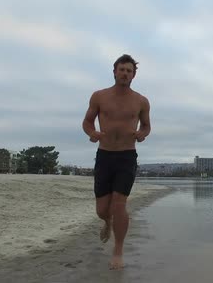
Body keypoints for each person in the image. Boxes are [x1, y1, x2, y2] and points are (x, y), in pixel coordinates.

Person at [82, 54, 151, 270]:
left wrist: (142, 134)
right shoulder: (99, 96)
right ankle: (107, 222)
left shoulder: (141, 101)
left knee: (119, 204)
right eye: (121, 69)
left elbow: (147, 126)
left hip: (126, 157)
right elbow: (87, 121)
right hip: (104, 156)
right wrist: (92, 132)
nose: (125, 73)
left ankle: (118, 251)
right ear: (114, 71)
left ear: (134, 75)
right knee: (102, 209)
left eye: (129, 71)